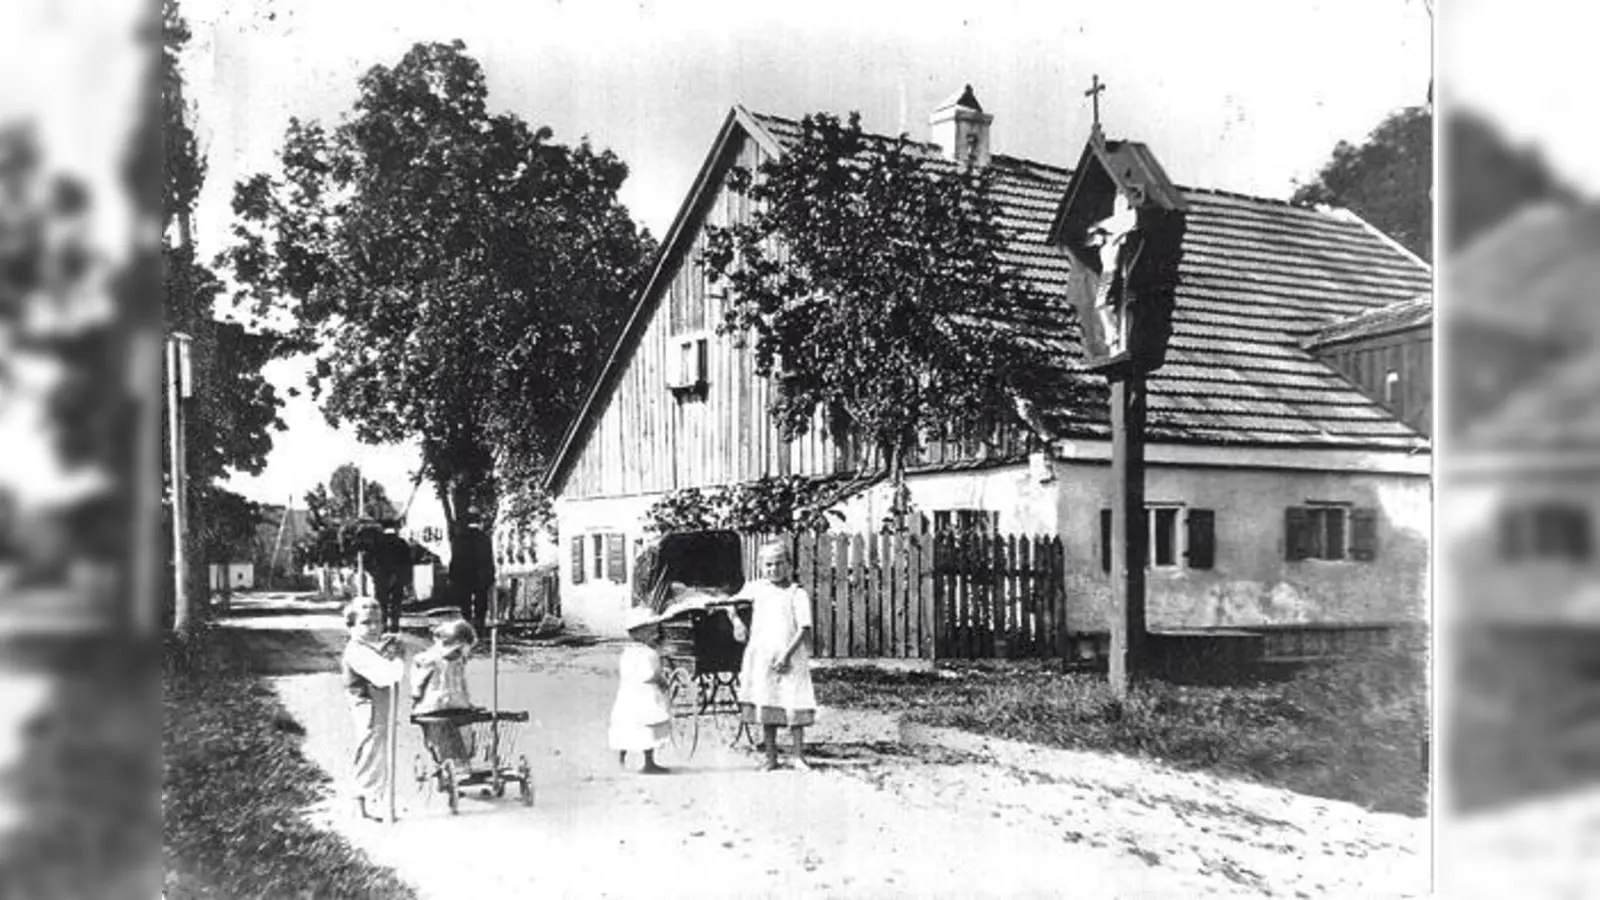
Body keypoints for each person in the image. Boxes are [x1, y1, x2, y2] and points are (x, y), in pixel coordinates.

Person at [734, 540, 816, 771]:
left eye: (779, 564)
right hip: (762, 657)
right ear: (762, 566)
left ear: (789, 565)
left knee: (793, 702)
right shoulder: (756, 589)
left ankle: (798, 755)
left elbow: (804, 628)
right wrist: (736, 621)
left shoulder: (796, 593)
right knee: (766, 701)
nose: (774, 569)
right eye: (769, 565)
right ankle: (771, 757)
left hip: (790, 657)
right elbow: (730, 603)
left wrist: (787, 656)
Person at [340, 597, 405, 820]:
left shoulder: (369, 645)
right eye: (366, 623)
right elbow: (387, 676)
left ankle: (374, 800)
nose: (375, 627)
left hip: (380, 704)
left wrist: (390, 648)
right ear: (351, 625)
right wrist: (397, 657)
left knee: (379, 750)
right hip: (367, 706)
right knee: (371, 751)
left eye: (378, 621)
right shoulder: (356, 650)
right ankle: (366, 803)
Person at [609, 607, 672, 774]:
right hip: (645, 695)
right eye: (650, 629)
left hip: (627, 695)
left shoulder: (627, 652)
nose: (655, 632)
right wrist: (662, 681)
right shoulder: (649, 653)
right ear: (640, 632)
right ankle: (649, 762)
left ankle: (621, 760)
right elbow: (650, 674)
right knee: (648, 727)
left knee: (625, 726)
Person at [411, 618, 477, 767]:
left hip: (457, 704)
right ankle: (445, 765)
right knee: (440, 740)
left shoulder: (459, 662)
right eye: (457, 650)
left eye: (462, 651)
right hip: (434, 706)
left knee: (465, 738)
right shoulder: (430, 660)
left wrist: (468, 701)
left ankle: (462, 764)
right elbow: (418, 680)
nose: (458, 655)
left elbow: (461, 684)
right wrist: (416, 696)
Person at [450, 511, 496, 632]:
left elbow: (455, 558)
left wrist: (452, 575)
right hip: (480, 576)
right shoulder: (485, 538)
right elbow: (488, 558)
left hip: (463, 575)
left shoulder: (459, 538)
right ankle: (479, 628)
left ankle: (466, 628)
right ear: (479, 522)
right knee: (480, 603)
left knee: (464, 603)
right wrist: (490, 575)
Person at [368, 519, 414, 633]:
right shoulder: (402, 543)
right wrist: (407, 579)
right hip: (397, 577)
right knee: (396, 603)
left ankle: (382, 625)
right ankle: (395, 625)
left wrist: (374, 574)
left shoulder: (377, 543)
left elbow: (368, 560)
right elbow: (408, 562)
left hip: (381, 577)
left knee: (382, 603)